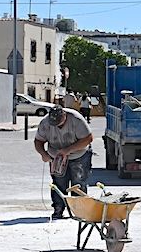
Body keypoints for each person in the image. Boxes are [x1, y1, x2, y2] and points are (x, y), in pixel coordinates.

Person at [35, 92, 96, 220]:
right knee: (58, 183)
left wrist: (68, 150)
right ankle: (58, 209)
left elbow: (88, 138)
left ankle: (79, 211)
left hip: (79, 155)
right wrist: (43, 154)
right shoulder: (45, 123)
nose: (58, 126)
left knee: (78, 183)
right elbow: (38, 141)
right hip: (57, 156)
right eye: (55, 124)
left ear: (64, 115)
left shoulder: (76, 119)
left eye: (60, 123)